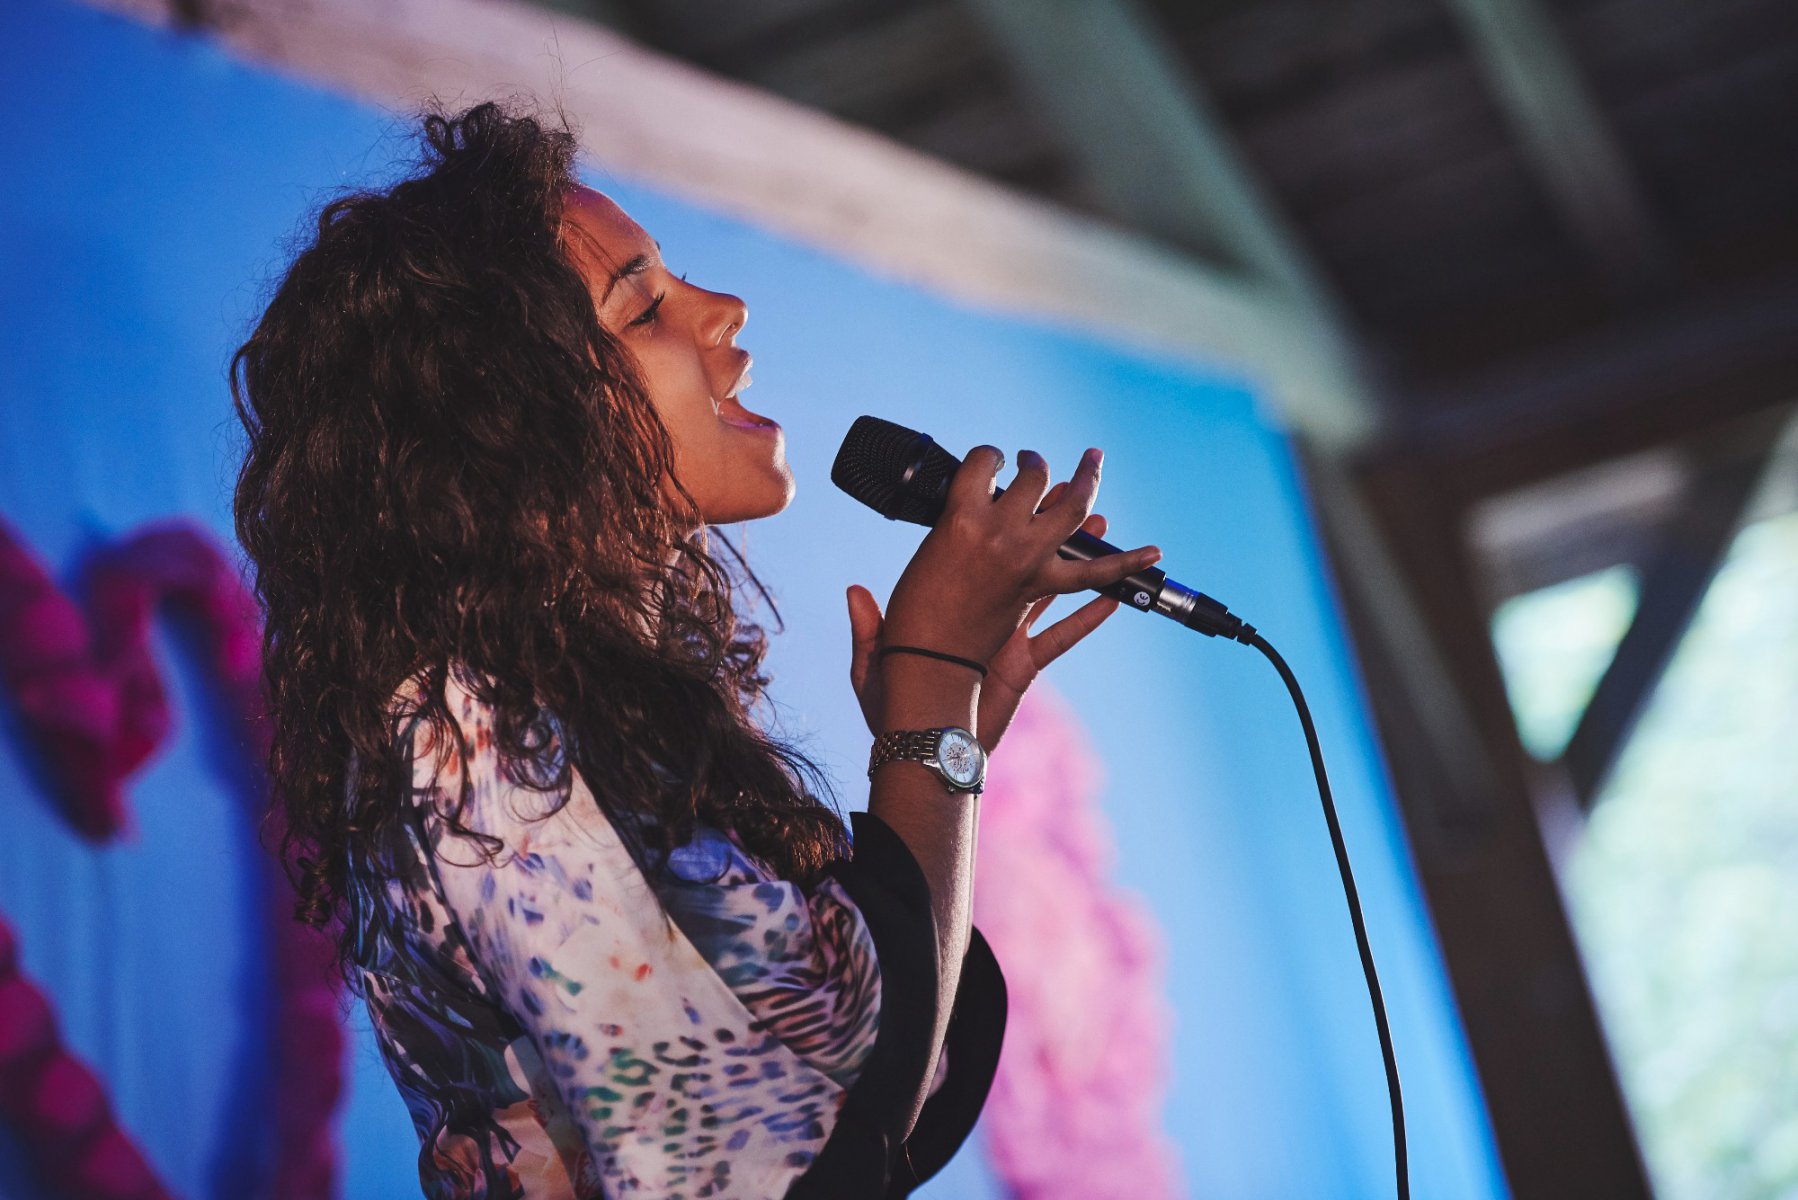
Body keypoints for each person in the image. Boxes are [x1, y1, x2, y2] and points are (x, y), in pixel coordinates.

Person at [229, 98, 1160, 1199]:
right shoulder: (472, 740)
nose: (725, 312)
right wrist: (929, 688)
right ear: (514, 421)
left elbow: (879, 1081)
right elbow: (847, 1109)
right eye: (645, 310)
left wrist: (944, 734)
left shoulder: (557, 716)